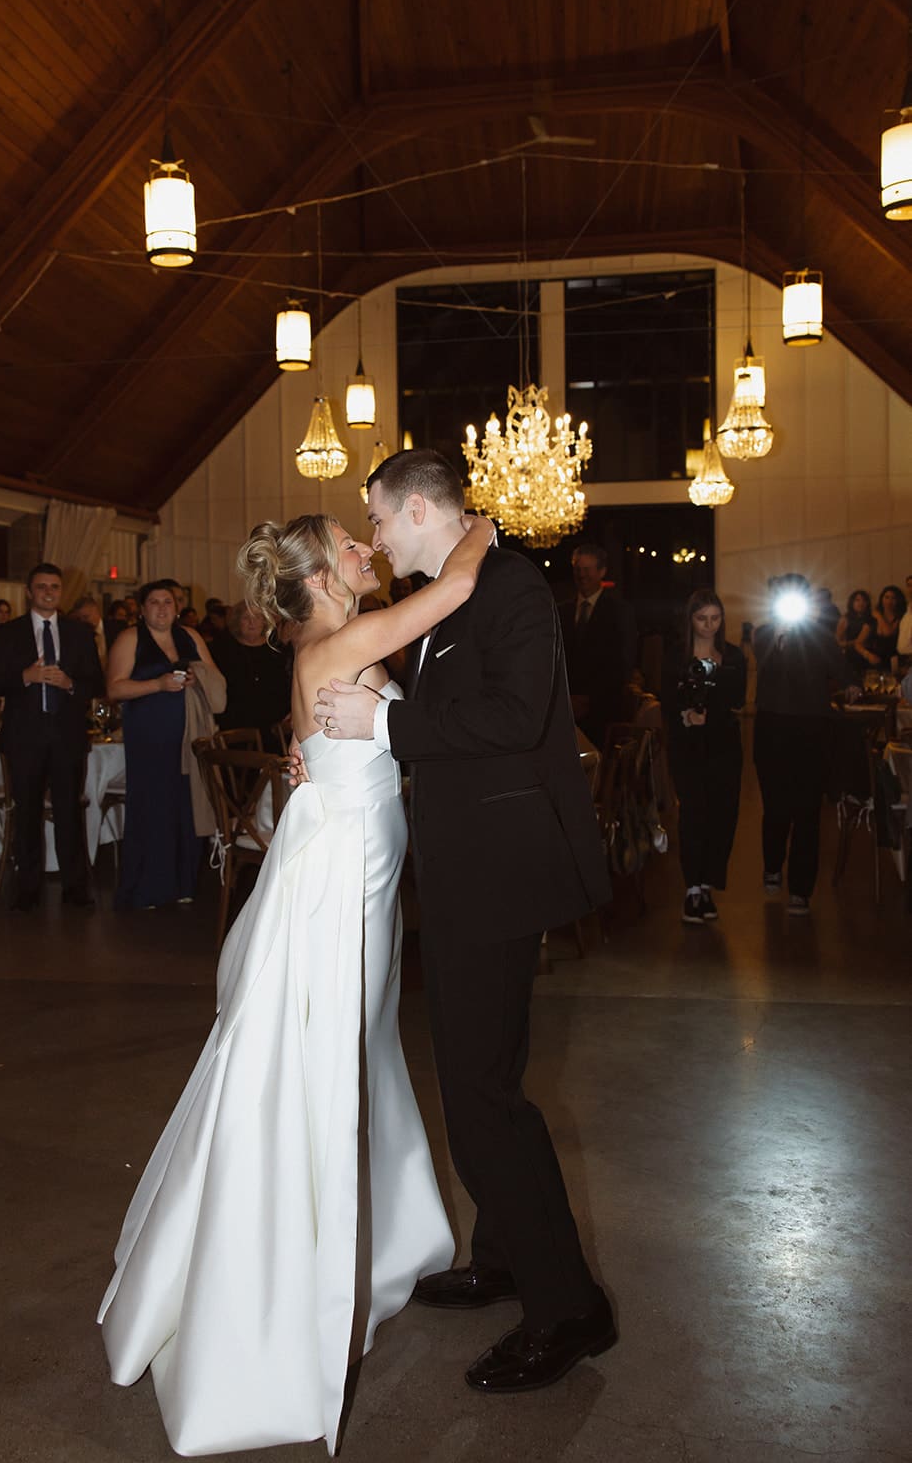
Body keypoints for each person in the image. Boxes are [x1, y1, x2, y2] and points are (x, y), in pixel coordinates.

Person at [99, 508, 495, 1455]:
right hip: (344, 881)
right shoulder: (346, 634)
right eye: (352, 546)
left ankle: (364, 1245)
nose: (368, 551)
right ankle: (283, 1292)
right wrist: (478, 523)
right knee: (321, 1064)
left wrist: (304, 763)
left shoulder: (324, 640)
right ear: (321, 573)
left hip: (353, 860)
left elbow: (315, 747)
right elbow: (458, 588)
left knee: (351, 1052)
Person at [316, 450, 615, 1397]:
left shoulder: (508, 588)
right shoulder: (460, 589)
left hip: (499, 873)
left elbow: (517, 717)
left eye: (376, 516)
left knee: (484, 1093)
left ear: (414, 509)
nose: (371, 535)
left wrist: (384, 731)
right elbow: (445, 716)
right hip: (465, 872)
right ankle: (506, 1254)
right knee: (477, 1074)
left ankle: (567, 1307)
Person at [0, 563, 104, 911]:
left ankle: (75, 887)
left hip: (66, 735)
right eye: (41, 587)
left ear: (61, 591)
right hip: (24, 736)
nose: (49, 592)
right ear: (29, 591)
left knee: (69, 812)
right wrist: (25, 675)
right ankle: (28, 888)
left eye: (54, 586)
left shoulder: (79, 633)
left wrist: (70, 685)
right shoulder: (9, 633)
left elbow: (96, 684)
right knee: (27, 813)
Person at [105, 580, 226, 910]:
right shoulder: (130, 638)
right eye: (154, 602)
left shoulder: (192, 636)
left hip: (189, 735)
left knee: (187, 806)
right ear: (142, 609)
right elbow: (114, 689)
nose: (161, 608)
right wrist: (157, 684)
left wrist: (196, 677)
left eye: (168, 602)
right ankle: (147, 889)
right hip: (148, 736)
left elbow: (215, 679)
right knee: (153, 807)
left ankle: (184, 883)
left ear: (177, 607)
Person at [753, 573, 843, 915]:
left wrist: (848, 687)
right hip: (772, 729)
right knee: (776, 808)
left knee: (807, 812)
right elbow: (762, 666)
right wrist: (780, 634)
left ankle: (801, 889)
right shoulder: (764, 634)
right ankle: (773, 865)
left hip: (812, 730)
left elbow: (843, 672)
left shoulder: (821, 636)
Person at [661, 589, 747, 924]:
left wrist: (716, 703)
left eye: (715, 618)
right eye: (702, 619)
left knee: (723, 816)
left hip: (724, 745)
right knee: (694, 814)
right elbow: (667, 701)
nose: (709, 625)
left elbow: (738, 698)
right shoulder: (675, 657)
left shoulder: (735, 656)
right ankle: (692, 889)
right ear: (690, 620)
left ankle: (708, 884)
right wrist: (685, 716)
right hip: (688, 747)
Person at [558, 542, 637, 749]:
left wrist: (590, 701)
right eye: (577, 569)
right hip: (565, 712)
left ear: (602, 571)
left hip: (604, 712)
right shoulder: (561, 611)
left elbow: (624, 663)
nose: (581, 575)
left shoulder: (620, 612)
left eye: (587, 569)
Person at [211, 599, 291, 751]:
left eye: (257, 617)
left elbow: (290, 683)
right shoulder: (222, 649)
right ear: (237, 621)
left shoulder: (278, 650)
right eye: (246, 617)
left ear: (265, 621)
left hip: (274, 727)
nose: (252, 622)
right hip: (235, 725)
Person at [837, 588, 876, 676]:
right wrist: (852, 643)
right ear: (852, 602)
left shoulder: (872, 619)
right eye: (857, 600)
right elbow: (838, 641)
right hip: (851, 656)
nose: (861, 603)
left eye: (864, 600)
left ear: (867, 603)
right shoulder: (845, 618)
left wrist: (849, 643)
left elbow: (863, 640)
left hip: (868, 656)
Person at [872, 584, 907, 674]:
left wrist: (879, 616)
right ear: (882, 598)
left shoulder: (901, 617)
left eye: (893, 598)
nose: (889, 601)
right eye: (886, 597)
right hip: (875, 658)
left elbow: (888, 632)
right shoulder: (873, 617)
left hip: (894, 658)